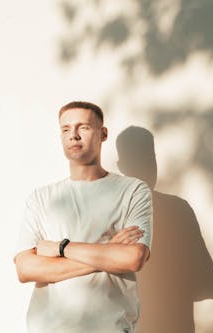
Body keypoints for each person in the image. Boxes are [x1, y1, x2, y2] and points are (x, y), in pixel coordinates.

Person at [14, 101, 153, 333]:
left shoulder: (133, 191)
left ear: (103, 133)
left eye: (84, 127)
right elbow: (25, 269)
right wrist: (108, 250)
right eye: (66, 129)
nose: (74, 136)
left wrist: (61, 248)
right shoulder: (41, 198)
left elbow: (133, 258)